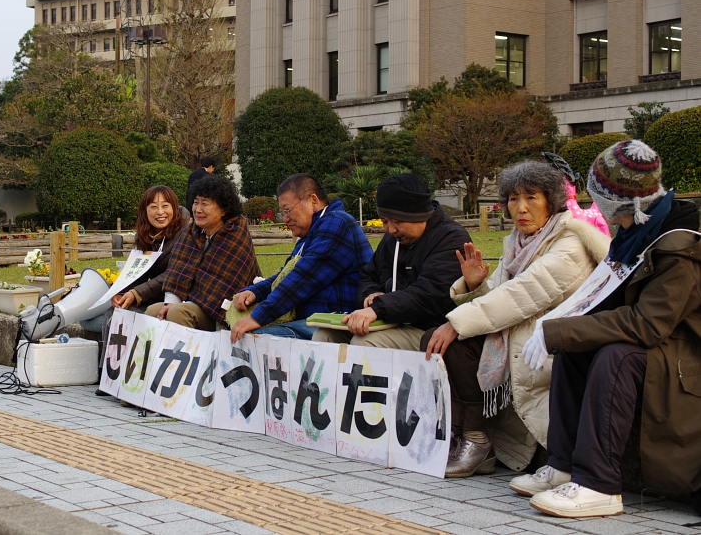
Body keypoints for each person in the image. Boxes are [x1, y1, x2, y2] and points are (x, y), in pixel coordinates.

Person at [512, 141, 701, 519]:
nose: (593, 201)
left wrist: (558, 331)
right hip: (661, 343)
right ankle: (564, 463)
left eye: (599, 193)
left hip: (683, 354)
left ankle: (598, 484)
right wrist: (563, 331)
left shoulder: (679, 244)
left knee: (614, 353)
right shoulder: (636, 231)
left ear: (617, 200)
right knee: (576, 343)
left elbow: (649, 323)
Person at [423, 160, 610, 478]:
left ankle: (477, 441)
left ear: (551, 201)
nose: (520, 208)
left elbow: (520, 296)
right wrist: (474, 285)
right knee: (435, 339)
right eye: (513, 199)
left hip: (552, 351)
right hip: (520, 340)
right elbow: (495, 301)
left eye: (531, 197)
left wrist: (455, 322)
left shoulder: (571, 244)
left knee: (450, 338)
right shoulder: (517, 244)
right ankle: (464, 436)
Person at [313, 174, 470, 349]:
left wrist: (378, 309)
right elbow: (368, 275)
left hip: (429, 328)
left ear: (420, 214)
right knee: (324, 335)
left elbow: (430, 294)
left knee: (365, 342)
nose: (391, 229)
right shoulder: (393, 239)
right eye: (385, 221)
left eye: (398, 221)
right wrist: (370, 295)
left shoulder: (452, 238)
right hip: (390, 319)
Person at [230, 174, 372, 342]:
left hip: (333, 323)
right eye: (282, 212)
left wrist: (257, 318)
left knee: (256, 338)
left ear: (313, 201)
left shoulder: (337, 223)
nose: (285, 219)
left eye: (288, 210)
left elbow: (303, 278)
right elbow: (285, 276)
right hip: (309, 322)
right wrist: (254, 291)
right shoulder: (308, 235)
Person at [147, 174, 261, 331]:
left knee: (179, 313)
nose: (198, 209)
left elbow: (225, 286)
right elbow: (177, 273)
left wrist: (181, 305)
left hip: (223, 312)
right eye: (195, 202)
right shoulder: (191, 232)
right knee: (153, 312)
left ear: (224, 209)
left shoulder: (236, 233)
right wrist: (170, 302)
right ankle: (156, 355)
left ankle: (189, 355)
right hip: (191, 303)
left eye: (205, 204)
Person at [80, 185, 189, 340]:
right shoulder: (144, 236)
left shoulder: (185, 234)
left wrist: (136, 294)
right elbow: (137, 272)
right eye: (153, 207)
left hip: (172, 301)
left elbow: (173, 274)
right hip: (150, 297)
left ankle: (111, 362)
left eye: (165, 206)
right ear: (145, 211)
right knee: (86, 318)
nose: (160, 212)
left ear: (174, 208)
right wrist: (122, 292)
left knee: (116, 319)